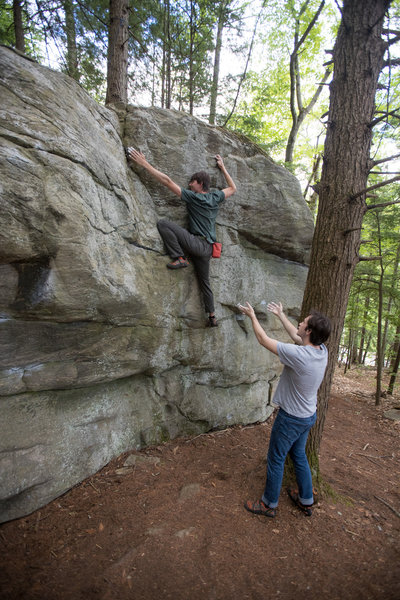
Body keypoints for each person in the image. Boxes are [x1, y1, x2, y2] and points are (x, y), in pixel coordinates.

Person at [238, 300, 331, 518]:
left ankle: (269, 504)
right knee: (298, 454)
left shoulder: (300, 356)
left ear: (308, 331)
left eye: (303, 322)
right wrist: (280, 315)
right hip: (308, 415)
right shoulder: (321, 351)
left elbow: (263, 340)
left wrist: (252, 316)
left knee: (276, 458)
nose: (299, 323)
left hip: (291, 418)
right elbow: (298, 337)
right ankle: (306, 499)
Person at [128, 149, 236, 327]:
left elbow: (167, 181)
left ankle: (179, 257)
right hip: (208, 249)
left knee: (163, 224)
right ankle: (212, 316)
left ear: (200, 183)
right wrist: (223, 167)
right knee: (205, 282)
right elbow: (233, 188)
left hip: (198, 244)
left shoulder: (193, 197)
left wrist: (144, 164)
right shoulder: (215, 197)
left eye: (192, 182)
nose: (189, 184)